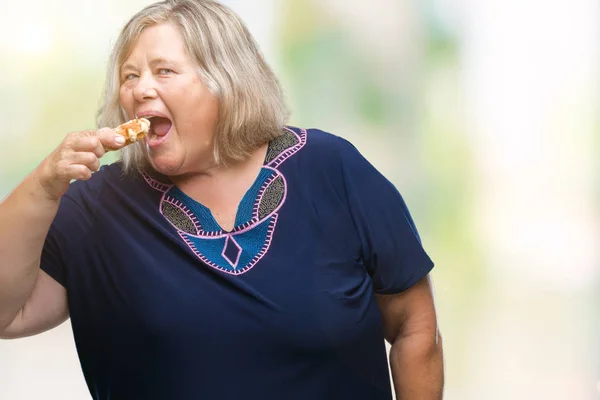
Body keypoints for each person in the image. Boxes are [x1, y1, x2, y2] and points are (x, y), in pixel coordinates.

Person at [0, 0, 444, 398]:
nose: (138, 89)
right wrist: (42, 186)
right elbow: (8, 314)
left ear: (225, 80)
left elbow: (415, 327)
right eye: (130, 76)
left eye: (164, 70)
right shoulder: (95, 208)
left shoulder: (332, 168)